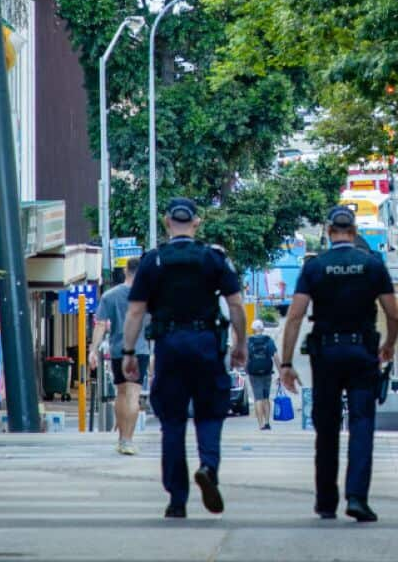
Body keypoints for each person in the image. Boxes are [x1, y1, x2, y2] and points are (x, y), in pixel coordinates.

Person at [122, 197, 247, 519]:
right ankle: (208, 466)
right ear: (197, 222)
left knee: (173, 421)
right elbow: (235, 305)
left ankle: (177, 499)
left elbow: (136, 311)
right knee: (209, 413)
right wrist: (240, 344)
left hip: (169, 345)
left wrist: (129, 351)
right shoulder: (213, 258)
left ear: (166, 222)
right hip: (206, 342)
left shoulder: (153, 261)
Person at [279, 206, 398, 523]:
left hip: (327, 355)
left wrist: (287, 362)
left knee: (327, 428)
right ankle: (358, 498)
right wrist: (388, 345)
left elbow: (294, 316)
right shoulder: (373, 265)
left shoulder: (315, 267)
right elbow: (394, 314)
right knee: (362, 425)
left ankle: (326, 500)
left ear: (329, 230)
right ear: (354, 229)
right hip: (362, 353)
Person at [89, 258, 150, 455]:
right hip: (139, 350)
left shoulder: (110, 295)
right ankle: (128, 440)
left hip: (118, 351)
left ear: (126, 271)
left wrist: (93, 351)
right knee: (133, 395)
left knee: (121, 394)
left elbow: (100, 324)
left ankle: (121, 439)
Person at [246, 319, 280, 430]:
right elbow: (275, 356)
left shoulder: (249, 341)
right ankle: (267, 422)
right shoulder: (268, 341)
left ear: (253, 329)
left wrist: (245, 369)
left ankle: (260, 424)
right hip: (267, 372)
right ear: (262, 329)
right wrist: (281, 372)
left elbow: (245, 358)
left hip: (254, 373)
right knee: (266, 397)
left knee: (258, 398)